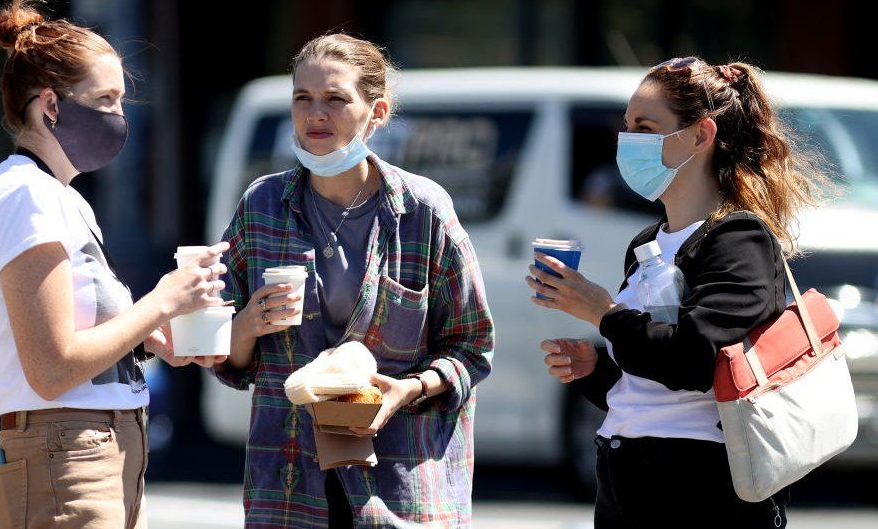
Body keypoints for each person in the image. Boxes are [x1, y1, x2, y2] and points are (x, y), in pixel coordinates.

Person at [525, 57, 832, 528]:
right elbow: (653, 390)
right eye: (626, 127)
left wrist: (604, 312)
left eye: (646, 127)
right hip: (627, 475)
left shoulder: (738, 239)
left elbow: (695, 360)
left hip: (699, 486)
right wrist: (597, 370)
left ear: (701, 135)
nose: (628, 142)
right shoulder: (647, 242)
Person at [0, 0, 229, 528]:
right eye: (106, 100)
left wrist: (159, 341)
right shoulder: (26, 198)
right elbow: (53, 366)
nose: (120, 116)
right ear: (51, 104)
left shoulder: (56, 195)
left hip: (95, 451)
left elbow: (80, 336)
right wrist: (161, 302)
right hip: (67, 452)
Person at [211, 33, 494, 527]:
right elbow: (228, 359)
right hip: (290, 486)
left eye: (335, 99)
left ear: (376, 111)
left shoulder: (423, 210)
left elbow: (472, 347)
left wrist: (406, 389)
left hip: (399, 489)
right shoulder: (262, 205)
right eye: (303, 98)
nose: (315, 113)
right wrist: (249, 323)